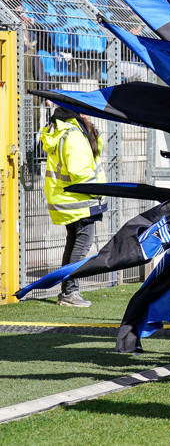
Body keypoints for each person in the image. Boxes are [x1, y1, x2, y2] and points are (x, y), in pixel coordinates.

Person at [39, 107, 107, 308]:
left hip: (67, 199)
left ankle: (68, 291)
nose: (88, 115)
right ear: (76, 114)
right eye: (83, 111)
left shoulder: (61, 132)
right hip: (80, 200)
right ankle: (70, 292)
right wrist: (98, 191)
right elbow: (80, 171)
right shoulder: (74, 136)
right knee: (81, 246)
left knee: (73, 244)